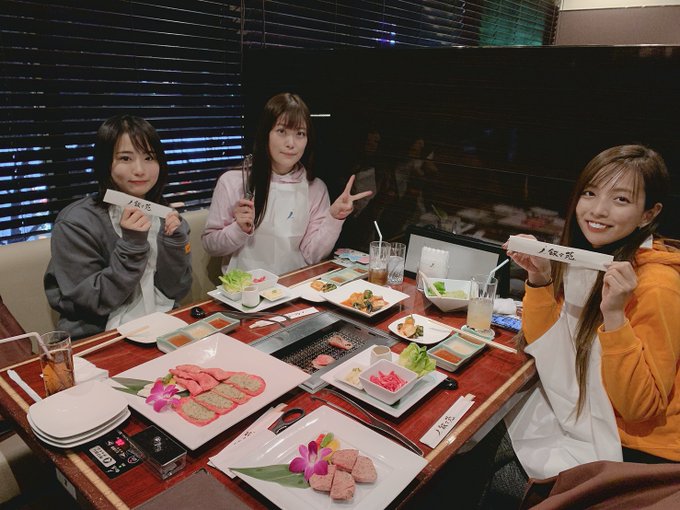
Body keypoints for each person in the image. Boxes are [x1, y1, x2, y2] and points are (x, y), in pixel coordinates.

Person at [487, 144, 680, 506]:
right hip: (580, 404)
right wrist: (539, 277)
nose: (598, 210)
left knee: (494, 471)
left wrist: (615, 315)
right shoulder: (593, 257)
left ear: (648, 214)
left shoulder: (657, 285)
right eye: (590, 193)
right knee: (483, 440)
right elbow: (546, 343)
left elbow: (639, 408)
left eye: (620, 199)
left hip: (637, 448)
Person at [44, 115, 192, 339]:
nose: (140, 170)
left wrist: (174, 244)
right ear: (105, 163)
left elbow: (176, 290)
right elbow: (92, 301)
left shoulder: (166, 215)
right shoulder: (76, 222)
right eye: (125, 158)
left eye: (149, 157)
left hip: (163, 326)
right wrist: (132, 246)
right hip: (98, 337)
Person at [201, 92, 371, 275]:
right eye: (282, 131)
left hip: (293, 285)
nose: (291, 143)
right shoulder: (233, 181)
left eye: (300, 134)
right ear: (266, 134)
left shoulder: (315, 188)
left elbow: (312, 256)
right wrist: (238, 229)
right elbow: (211, 245)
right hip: (243, 287)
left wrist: (334, 218)